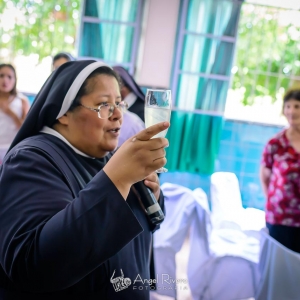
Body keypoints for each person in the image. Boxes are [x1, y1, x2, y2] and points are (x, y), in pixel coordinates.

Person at [0, 60, 169, 299]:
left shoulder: (107, 156)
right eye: (104, 105)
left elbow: (148, 224)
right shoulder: (32, 159)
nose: (119, 115)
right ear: (65, 112)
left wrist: (154, 196)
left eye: (119, 103)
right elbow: (35, 264)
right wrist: (116, 182)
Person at [260, 89, 300, 253]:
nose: (291, 111)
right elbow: (265, 176)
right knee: (278, 267)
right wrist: (272, 201)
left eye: (297, 106)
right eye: (288, 106)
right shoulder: (276, 143)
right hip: (280, 217)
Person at [0, 63, 30, 163]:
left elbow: (27, 130)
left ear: (15, 80)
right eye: (1, 76)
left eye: (9, 77)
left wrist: (10, 113)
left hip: (14, 151)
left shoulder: (22, 101)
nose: (5, 80)